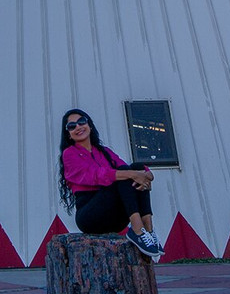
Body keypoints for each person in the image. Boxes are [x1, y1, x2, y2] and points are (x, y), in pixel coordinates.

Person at [57, 108, 164, 261]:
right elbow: (95, 175)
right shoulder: (69, 154)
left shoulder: (104, 151)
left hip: (116, 215)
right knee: (124, 174)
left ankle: (149, 230)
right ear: (68, 133)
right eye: (71, 126)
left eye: (81, 122)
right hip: (90, 215)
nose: (78, 127)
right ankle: (137, 230)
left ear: (90, 125)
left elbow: (126, 167)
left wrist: (146, 175)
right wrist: (133, 175)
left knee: (136, 167)